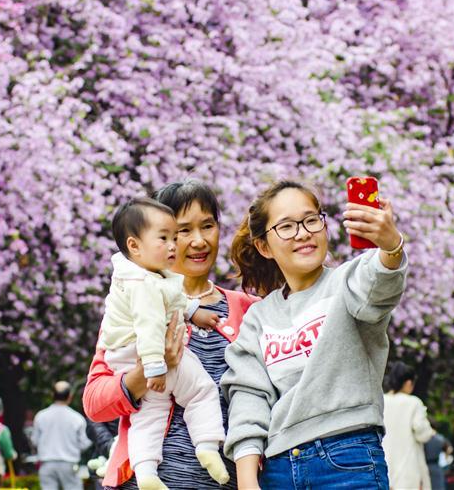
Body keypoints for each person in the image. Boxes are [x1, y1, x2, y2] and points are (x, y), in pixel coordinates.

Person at [222, 179, 408, 489]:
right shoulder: (259, 317)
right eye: (287, 226)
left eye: (311, 220)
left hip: (348, 459)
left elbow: (379, 286)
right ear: (264, 246)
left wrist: (391, 246)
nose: (303, 233)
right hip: (279, 468)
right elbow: (248, 395)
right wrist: (246, 476)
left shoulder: (347, 282)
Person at [84, 179, 260, 490]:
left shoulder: (248, 309)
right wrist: (146, 372)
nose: (197, 241)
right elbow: (95, 403)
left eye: (207, 226)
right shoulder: (130, 311)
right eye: (181, 232)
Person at [382, 361, 436, 489]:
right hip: (408, 468)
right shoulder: (413, 403)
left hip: (384, 465)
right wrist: (430, 432)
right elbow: (422, 433)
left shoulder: (381, 401)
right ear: (408, 383)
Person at [32, 381, 92, 490]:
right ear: (70, 397)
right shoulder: (77, 418)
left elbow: (35, 441)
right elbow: (84, 443)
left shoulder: (41, 416)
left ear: (52, 395)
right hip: (69, 464)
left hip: (47, 464)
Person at [424, 421, 452, 490]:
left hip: (424, 467)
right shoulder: (440, 438)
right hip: (436, 467)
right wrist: (446, 457)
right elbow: (449, 449)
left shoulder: (423, 438)